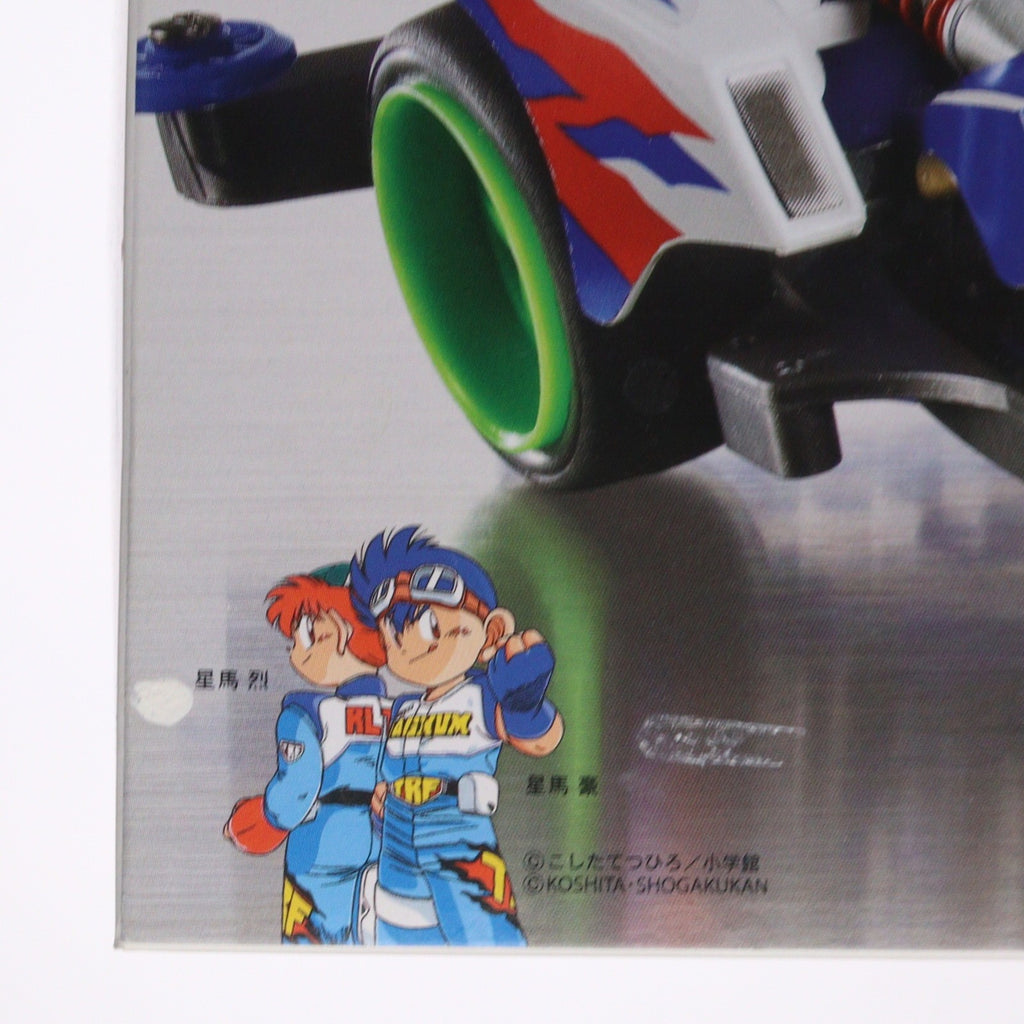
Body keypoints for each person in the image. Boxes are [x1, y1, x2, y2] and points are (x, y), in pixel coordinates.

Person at [350, 527, 563, 945]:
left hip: (457, 840)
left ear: (492, 632)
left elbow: (542, 740)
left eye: (429, 625)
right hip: (395, 845)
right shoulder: (403, 709)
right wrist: (381, 800)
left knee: (487, 948)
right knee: (397, 940)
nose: (406, 646)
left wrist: (524, 704)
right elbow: (388, 772)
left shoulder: (481, 694)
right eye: (392, 635)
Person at [223, 564, 392, 944]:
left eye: (306, 635)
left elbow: (296, 791)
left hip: (323, 844)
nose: (297, 652)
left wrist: (255, 823)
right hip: (393, 843)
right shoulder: (405, 712)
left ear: (343, 634)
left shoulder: (307, 714)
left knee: (314, 945)